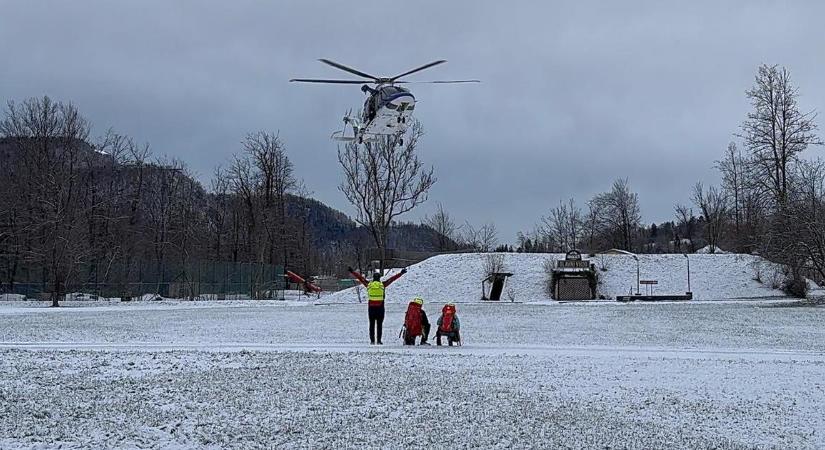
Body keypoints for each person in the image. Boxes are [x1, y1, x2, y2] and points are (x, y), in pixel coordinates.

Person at [349, 266, 407, 345]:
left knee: (371, 324)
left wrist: (352, 272)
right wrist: (401, 273)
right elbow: (392, 279)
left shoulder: (369, 284)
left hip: (371, 308)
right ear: (379, 278)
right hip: (380, 307)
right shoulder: (382, 285)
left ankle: (372, 341)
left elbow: (360, 278)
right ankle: (379, 341)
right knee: (379, 325)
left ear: (373, 278)